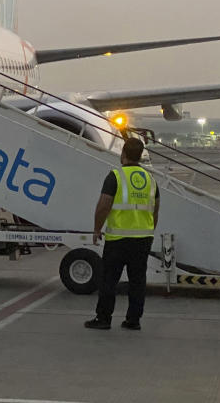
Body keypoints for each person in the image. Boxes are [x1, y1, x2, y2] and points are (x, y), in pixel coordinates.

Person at [85, 137, 160, 331]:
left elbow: (103, 205)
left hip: (118, 239)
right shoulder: (151, 179)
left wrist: (96, 228)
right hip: (143, 239)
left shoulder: (115, 176)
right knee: (137, 281)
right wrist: (149, 231)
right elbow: (155, 210)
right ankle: (133, 320)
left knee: (109, 280)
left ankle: (103, 319)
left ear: (123, 154)